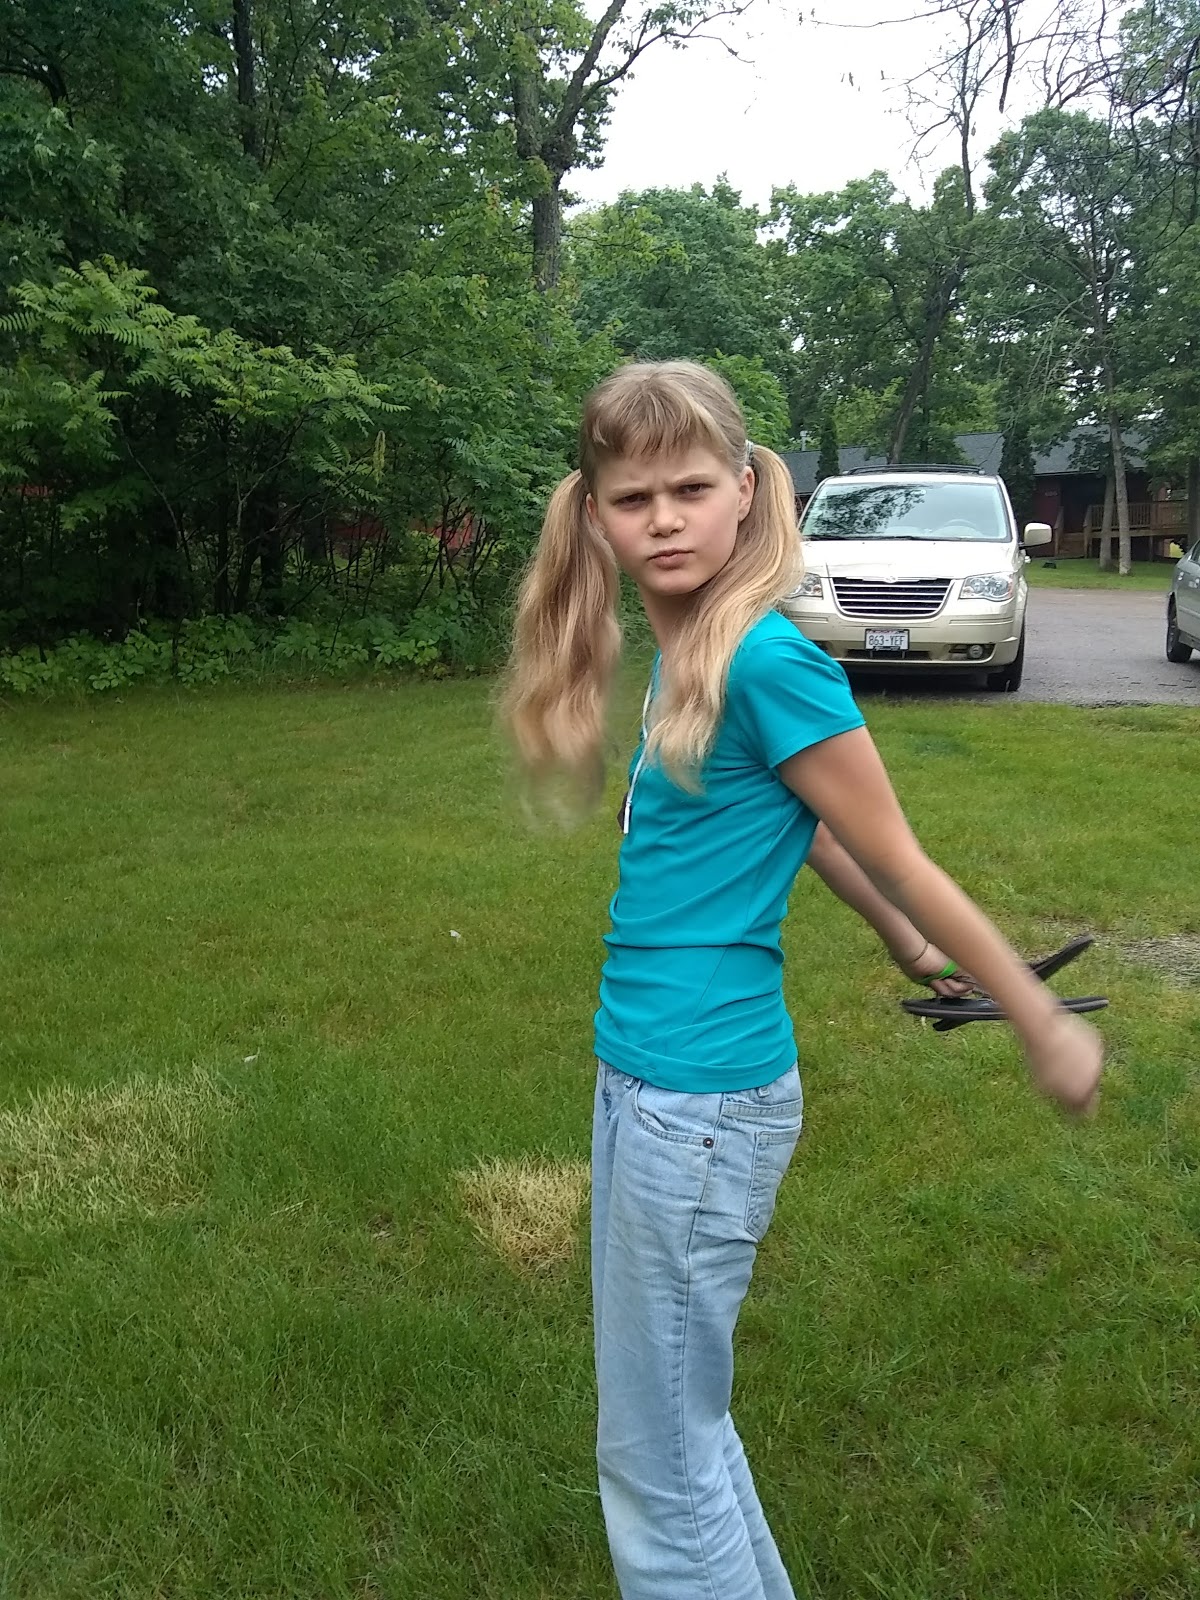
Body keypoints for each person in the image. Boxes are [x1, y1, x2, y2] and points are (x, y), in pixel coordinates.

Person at [501, 361, 1102, 1600]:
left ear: (745, 490)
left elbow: (902, 853)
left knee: (657, 1460)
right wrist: (903, 945)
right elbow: (809, 827)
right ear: (597, 516)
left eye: (689, 489)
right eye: (634, 499)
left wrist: (1038, 1015)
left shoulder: (769, 660)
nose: (664, 519)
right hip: (650, 1082)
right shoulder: (693, 648)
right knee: (676, 1430)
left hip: (696, 1101)